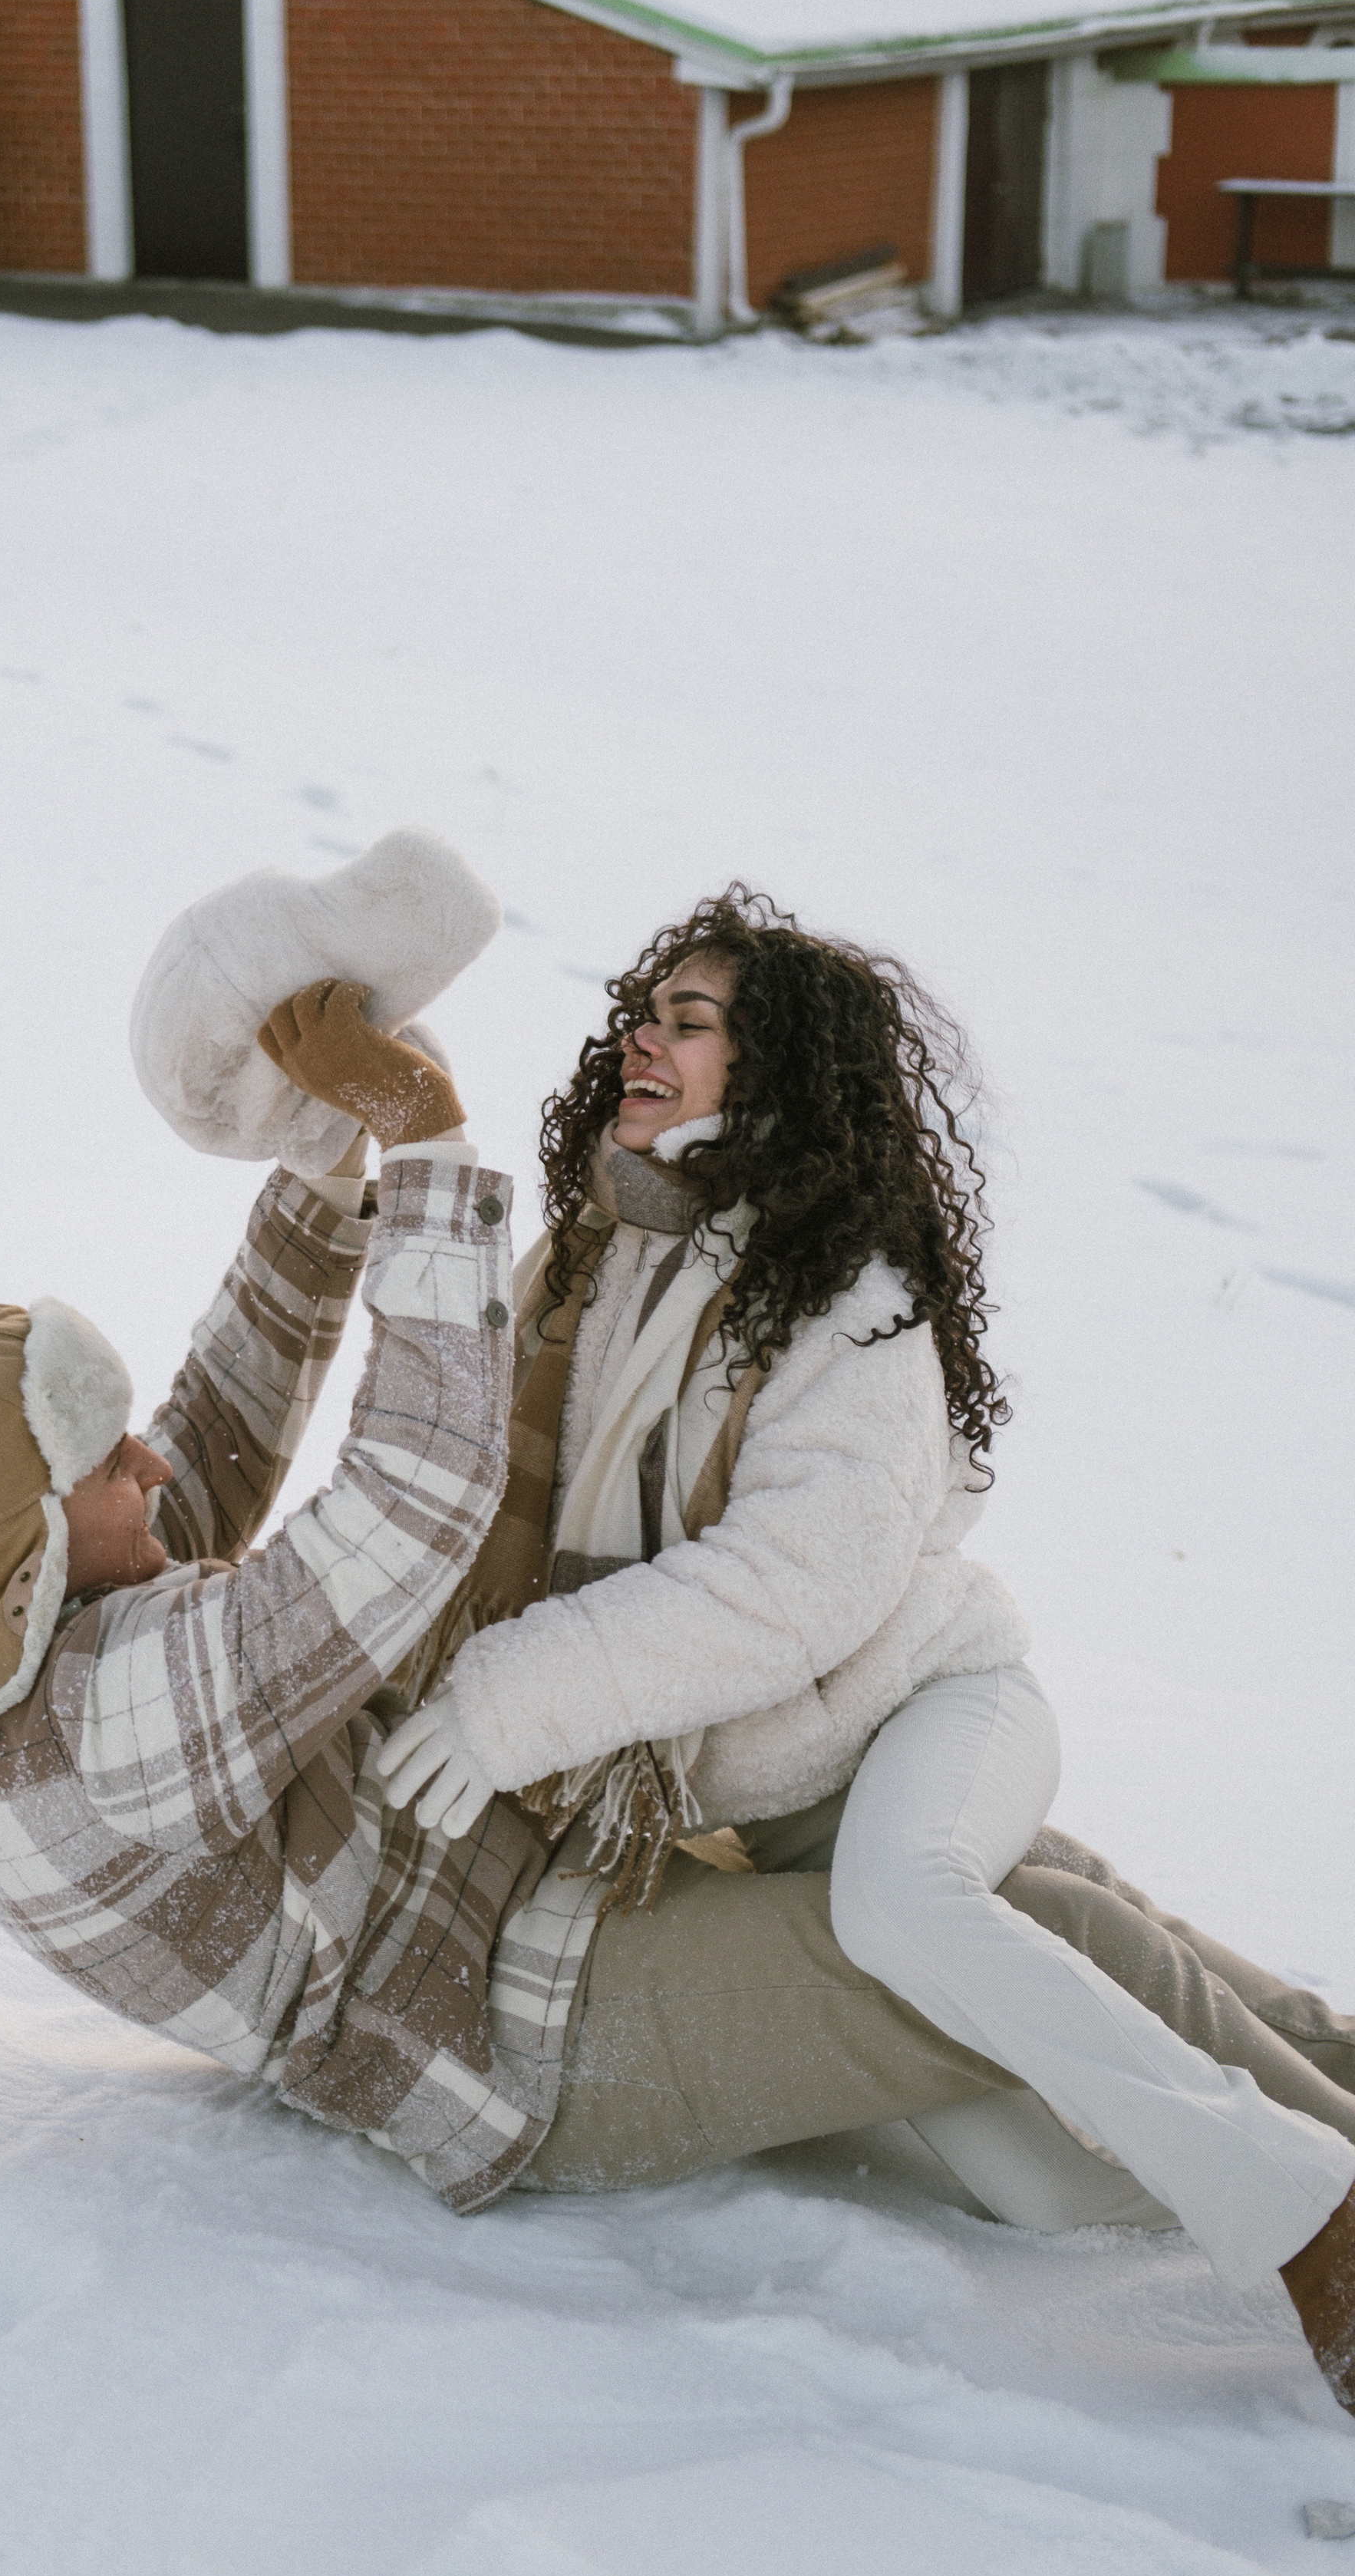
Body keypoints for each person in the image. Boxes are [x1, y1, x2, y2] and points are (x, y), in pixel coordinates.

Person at [0, 967, 1355, 2411]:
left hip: (550, 1881)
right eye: (105, 1461)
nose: (153, 1465)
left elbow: (208, 1441)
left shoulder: (26, 1639)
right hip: (534, 2036)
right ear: (24, 1538)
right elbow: (413, 1496)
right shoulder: (118, 1726)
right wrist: (427, 1151)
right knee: (995, 1952)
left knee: (1025, 1910)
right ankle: (1325, 2214)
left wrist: (320, 1169)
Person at [371, 888, 1355, 2407]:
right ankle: (1307, 2097)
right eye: (643, 1013)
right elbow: (467, 1449)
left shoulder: (847, 1295)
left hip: (926, 1711)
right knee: (1034, 2187)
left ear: (776, 1070)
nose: (643, 1041)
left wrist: (514, 1699)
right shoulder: (595, 1258)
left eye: (691, 1022)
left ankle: (1315, 2222)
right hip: (766, 1789)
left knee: (903, 1904)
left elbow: (791, 1587)